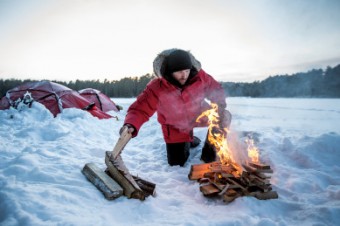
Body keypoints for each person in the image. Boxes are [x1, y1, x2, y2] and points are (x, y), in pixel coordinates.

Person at [120, 48, 231, 166]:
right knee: (177, 162)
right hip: (175, 127)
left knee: (224, 116)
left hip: (199, 115)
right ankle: (190, 140)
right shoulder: (157, 87)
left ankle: (209, 154)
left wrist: (220, 104)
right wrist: (130, 124)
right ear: (169, 71)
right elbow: (139, 109)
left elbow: (215, 89)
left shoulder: (200, 76)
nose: (184, 75)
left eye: (187, 71)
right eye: (179, 72)